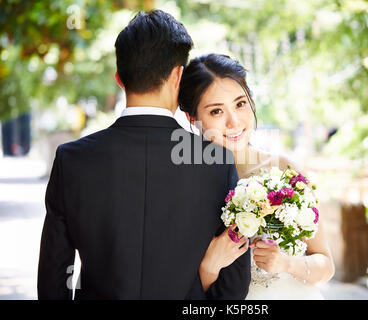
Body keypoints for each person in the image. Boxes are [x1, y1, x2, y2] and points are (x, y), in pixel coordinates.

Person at [37, 10, 250, 300]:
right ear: (178, 76)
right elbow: (233, 286)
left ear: (119, 79)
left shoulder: (71, 160)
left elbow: (53, 277)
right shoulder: (217, 163)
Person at [179, 53, 335, 299]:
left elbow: (326, 265)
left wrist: (287, 263)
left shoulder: (286, 171)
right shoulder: (186, 186)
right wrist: (210, 265)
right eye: (217, 111)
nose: (234, 122)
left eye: (240, 104)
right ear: (193, 119)